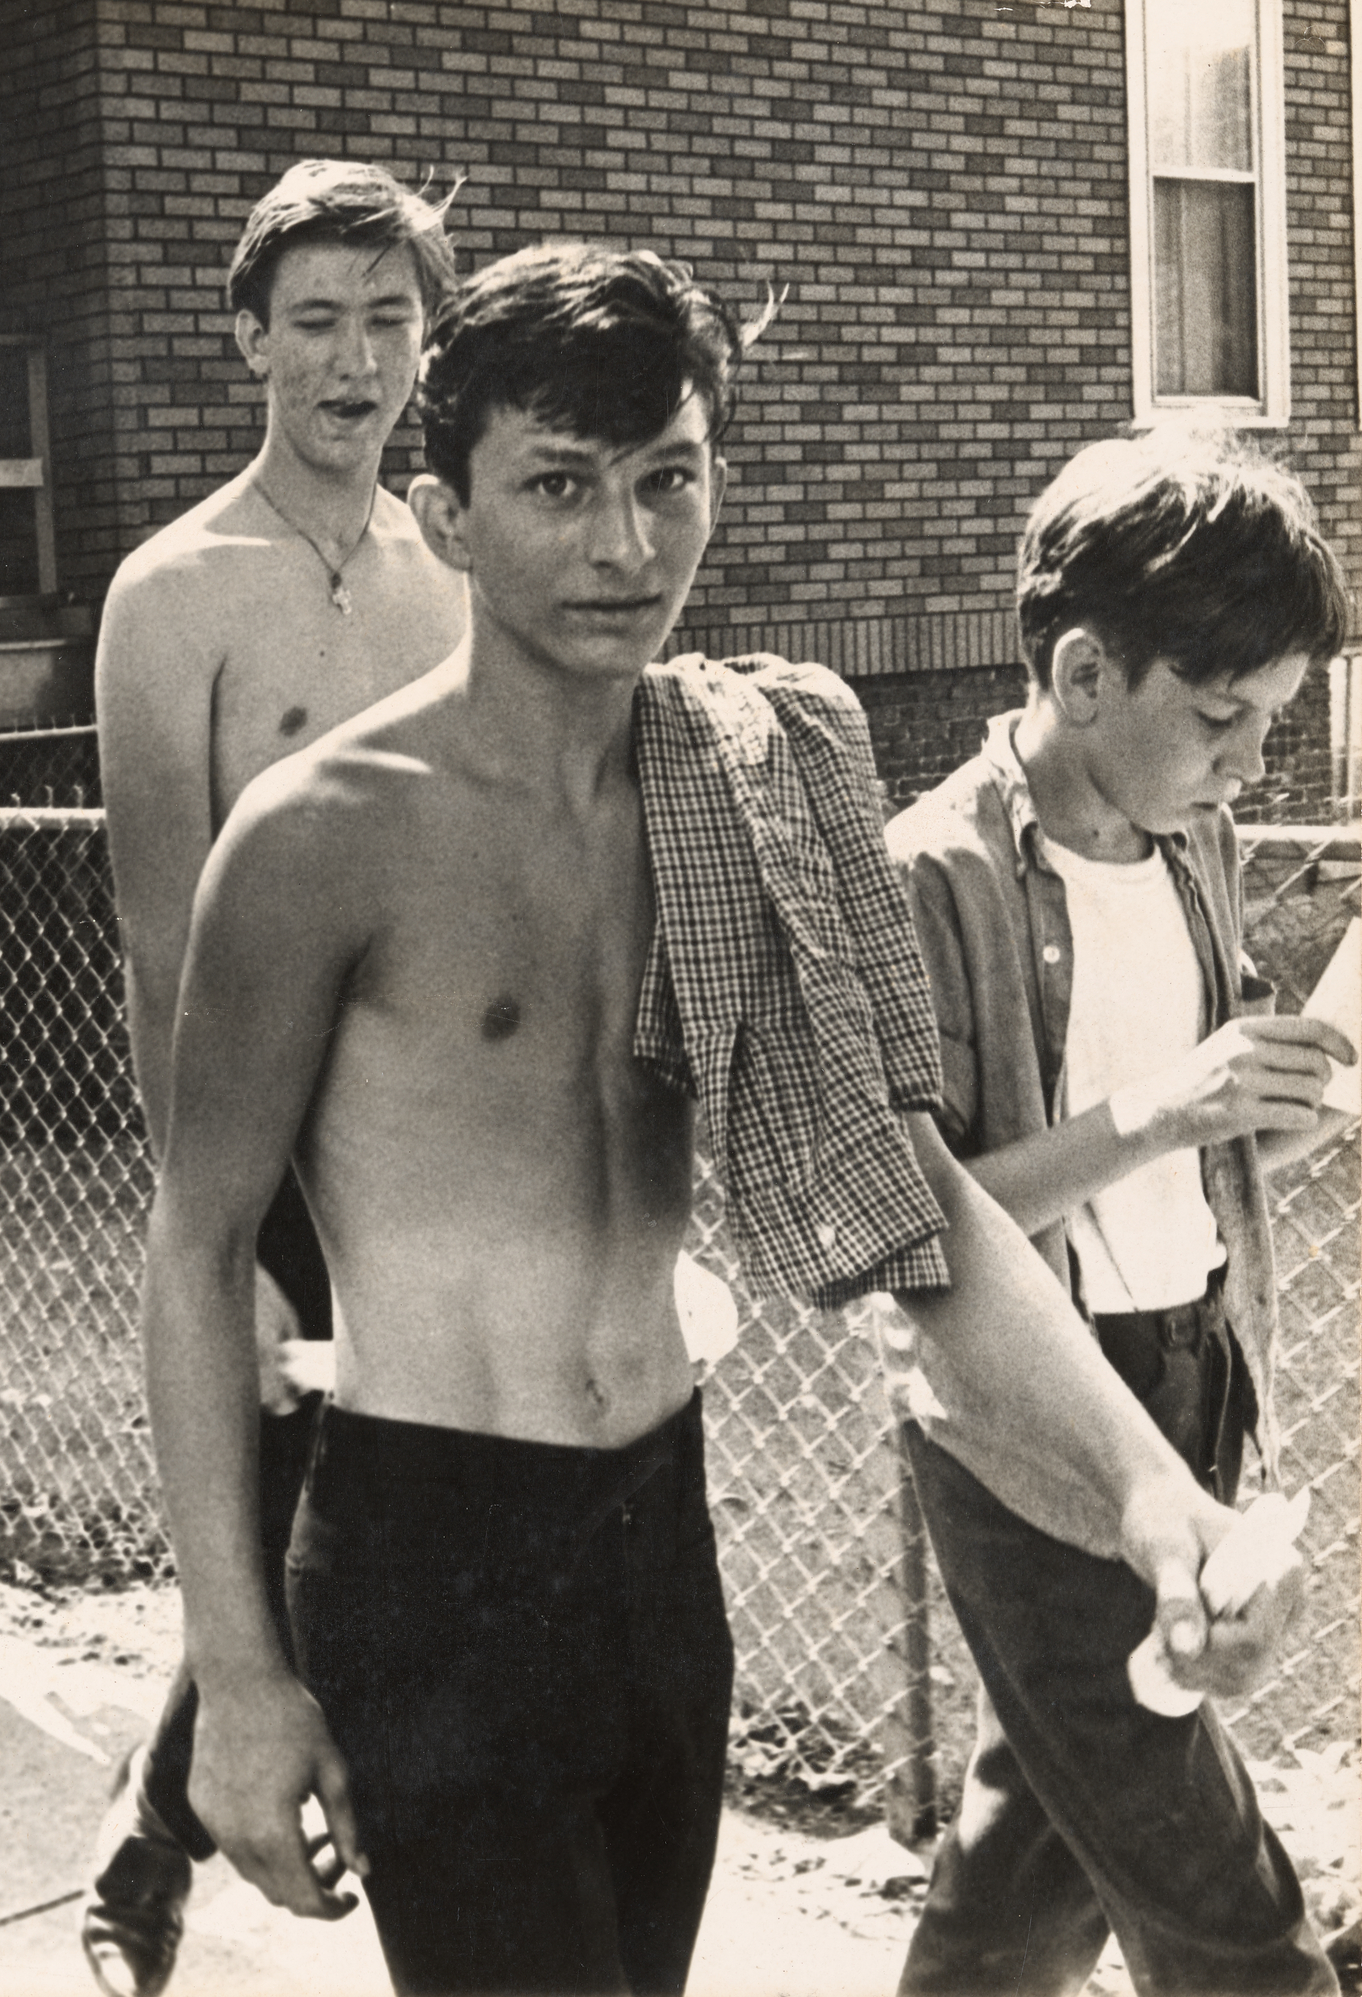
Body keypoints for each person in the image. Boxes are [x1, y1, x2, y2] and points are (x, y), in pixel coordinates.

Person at [142, 243, 1308, 1995]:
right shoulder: (325, 834)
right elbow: (196, 1245)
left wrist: (1160, 1505)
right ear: (444, 513)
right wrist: (236, 1678)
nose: (625, 545)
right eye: (558, 487)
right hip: (435, 1549)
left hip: (656, 1537)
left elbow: (909, 1196)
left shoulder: (746, 780)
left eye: (666, 478)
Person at [883, 430, 1351, 1997]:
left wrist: (1292, 1104)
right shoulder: (932, 873)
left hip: (1196, 1367)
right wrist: (1170, 1106)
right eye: (1224, 718)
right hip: (1031, 1421)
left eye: (1275, 724)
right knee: (1215, 1896)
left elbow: (1209, 1161)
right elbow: (914, 1223)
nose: (1251, 765)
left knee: (1039, 1847)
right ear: (1086, 675)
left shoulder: (1199, 843)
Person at [81, 157, 466, 1997]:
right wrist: (205, 1238)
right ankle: (169, 1831)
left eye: (389, 320)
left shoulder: (454, 567)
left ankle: (169, 1832)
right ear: (248, 338)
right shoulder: (175, 595)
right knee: (308, 1506)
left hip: (449, 1140)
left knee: (403, 1516)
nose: (355, 362)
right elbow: (165, 947)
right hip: (272, 1149)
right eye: (316, 321)